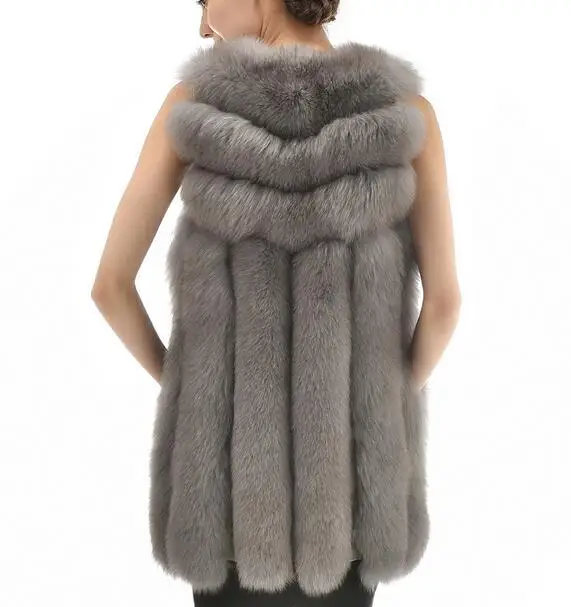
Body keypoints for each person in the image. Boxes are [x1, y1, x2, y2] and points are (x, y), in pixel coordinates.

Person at [91, 0, 461, 605]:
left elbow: (110, 285)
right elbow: (444, 306)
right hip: (350, 507)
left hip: (228, 509)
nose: (203, 25)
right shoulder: (403, 115)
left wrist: (193, 389)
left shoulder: (194, 108)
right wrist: (380, 407)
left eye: (204, 1)